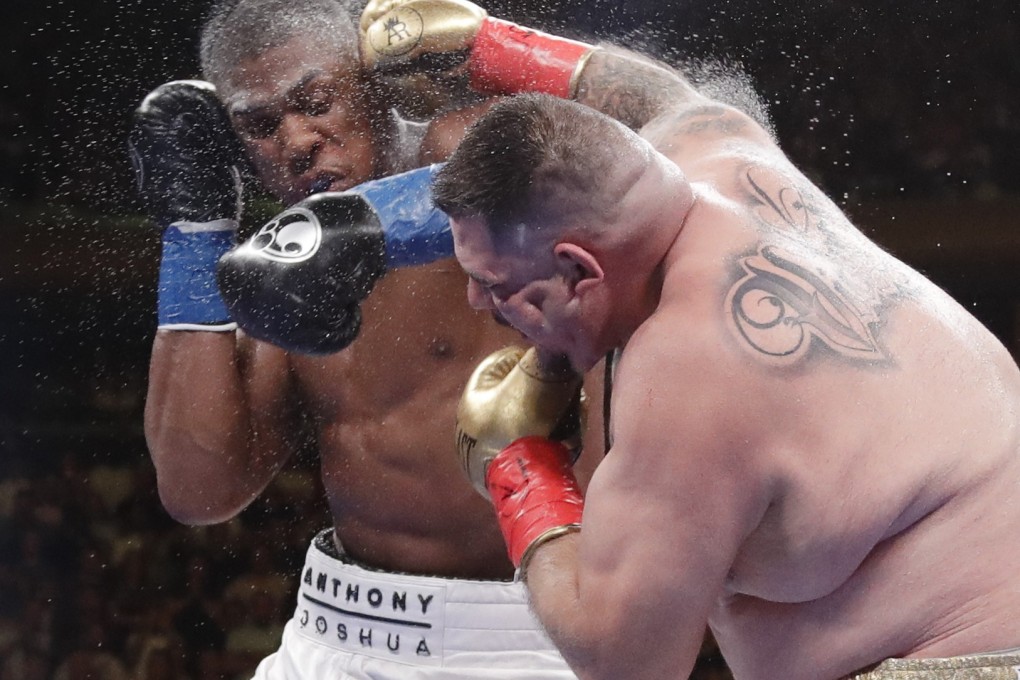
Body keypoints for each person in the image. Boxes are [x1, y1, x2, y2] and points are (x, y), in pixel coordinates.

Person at [352, 1, 1020, 678]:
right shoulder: (719, 149)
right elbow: (657, 95)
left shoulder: (688, 374)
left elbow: (627, 662)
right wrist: (493, 47)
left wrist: (523, 471)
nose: (480, 304)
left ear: (580, 271)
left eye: (500, 287)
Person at [128, 0, 603, 677]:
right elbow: (198, 489)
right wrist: (195, 237)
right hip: (331, 633)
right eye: (261, 126)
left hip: (513, 636)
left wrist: (490, 56)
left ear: (373, 83)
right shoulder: (288, 261)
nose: (296, 142)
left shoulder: (462, 154)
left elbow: (617, 153)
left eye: (315, 102)